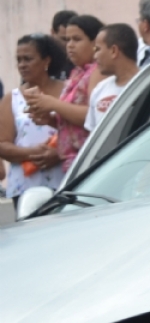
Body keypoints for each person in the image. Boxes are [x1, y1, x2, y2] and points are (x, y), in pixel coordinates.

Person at [23, 14, 105, 172]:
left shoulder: (99, 71)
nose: (70, 45)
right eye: (67, 40)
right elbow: (72, 121)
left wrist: (52, 104)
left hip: (90, 161)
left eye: (77, 39)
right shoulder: (76, 73)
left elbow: (93, 116)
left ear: (95, 42)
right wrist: (50, 119)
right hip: (71, 162)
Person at [0, 34, 70, 201]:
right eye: (19, 60)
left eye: (28, 59)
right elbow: (2, 144)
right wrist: (32, 153)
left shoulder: (68, 91)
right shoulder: (12, 98)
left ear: (46, 61)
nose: (22, 65)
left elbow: (81, 132)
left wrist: (58, 152)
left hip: (65, 184)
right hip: (25, 189)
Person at [85, 24, 139, 132]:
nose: (95, 56)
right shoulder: (100, 90)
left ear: (114, 51)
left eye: (97, 49)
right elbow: (93, 134)